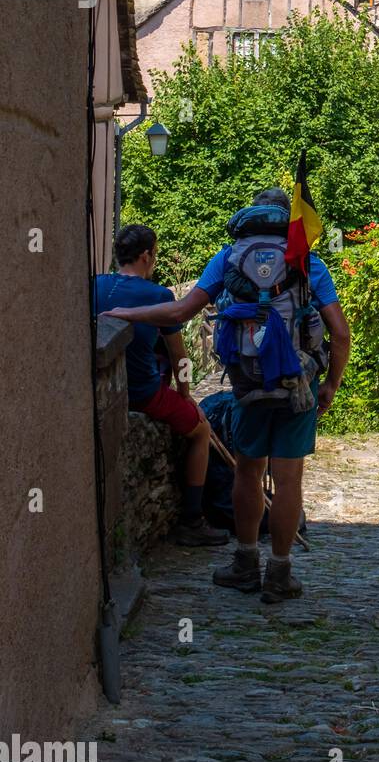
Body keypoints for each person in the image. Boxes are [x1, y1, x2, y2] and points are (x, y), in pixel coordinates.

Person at [101, 188, 351, 604]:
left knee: (247, 472)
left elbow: (180, 312)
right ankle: (280, 574)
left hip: (248, 383)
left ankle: (245, 562)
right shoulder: (307, 260)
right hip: (298, 384)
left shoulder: (229, 257)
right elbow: (339, 333)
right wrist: (330, 385)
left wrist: (123, 314)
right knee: (289, 480)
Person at [94, 225, 229, 547]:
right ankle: (192, 519)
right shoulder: (158, 297)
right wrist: (185, 397)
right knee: (200, 432)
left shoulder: (94, 284)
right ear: (145, 256)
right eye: (154, 253)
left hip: (97, 389)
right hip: (140, 392)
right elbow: (179, 356)